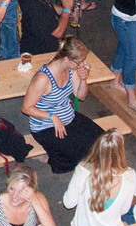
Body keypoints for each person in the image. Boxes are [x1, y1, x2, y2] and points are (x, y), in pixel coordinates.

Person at [21, 37, 102, 174]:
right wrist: (52, 117)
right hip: (46, 127)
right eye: (79, 62)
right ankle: (52, 158)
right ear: (66, 59)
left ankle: (57, 154)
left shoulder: (72, 69)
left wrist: (83, 79)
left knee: (102, 141)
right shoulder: (43, 78)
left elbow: (81, 96)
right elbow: (26, 108)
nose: (82, 65)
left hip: (68, 118)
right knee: (83, 155)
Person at [63, 129, 136, 226]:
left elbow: (68, 203)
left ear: (96, 148)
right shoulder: (129, 175)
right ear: (121, 151)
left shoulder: (82, 171)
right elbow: (124, 210)